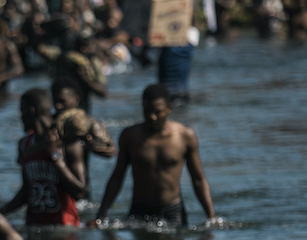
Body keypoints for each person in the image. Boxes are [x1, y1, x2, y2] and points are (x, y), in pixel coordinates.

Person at [92, 84, 216, 227]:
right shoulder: (130, 136)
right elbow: (117, 176)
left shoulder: (185, 136)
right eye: (147, 111)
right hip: (139, 210)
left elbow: (198, 179)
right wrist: (100, 216)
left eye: (158, 112)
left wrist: (211, 217)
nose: (152, 117)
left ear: (169, 108)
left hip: (172, 210)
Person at [1, 88, 87, 226]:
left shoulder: (67, 143)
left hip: (65, 228)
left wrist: (56, 158)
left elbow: (80, 192)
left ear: (31, 110)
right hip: (34, 227)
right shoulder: (24, 144)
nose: (21, 117)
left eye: (22, 111)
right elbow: (26, 190)